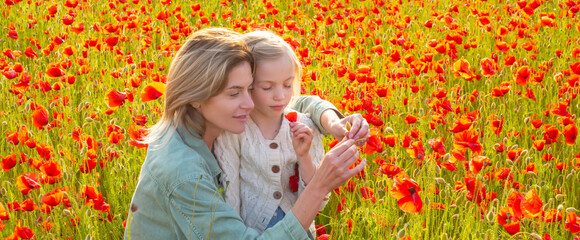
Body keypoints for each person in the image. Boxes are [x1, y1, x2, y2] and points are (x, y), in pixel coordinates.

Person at [124, 27, 369, 240]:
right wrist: (318, 186)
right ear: (196, 97)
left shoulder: (197, 122)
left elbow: (289, 104)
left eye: (249, 89)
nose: (250, 104)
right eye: (234, 93)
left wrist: (329, 118)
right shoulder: (183, 172)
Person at [214, 31, 327, 234]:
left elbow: (318, 203)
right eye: (267, 87)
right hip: (252, 233)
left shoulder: (305, 126)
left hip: (299, 231)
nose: (280, 96)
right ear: (247, 86)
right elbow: (231, 196)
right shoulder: (234, 132)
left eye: (287, 84)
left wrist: (304, 157)